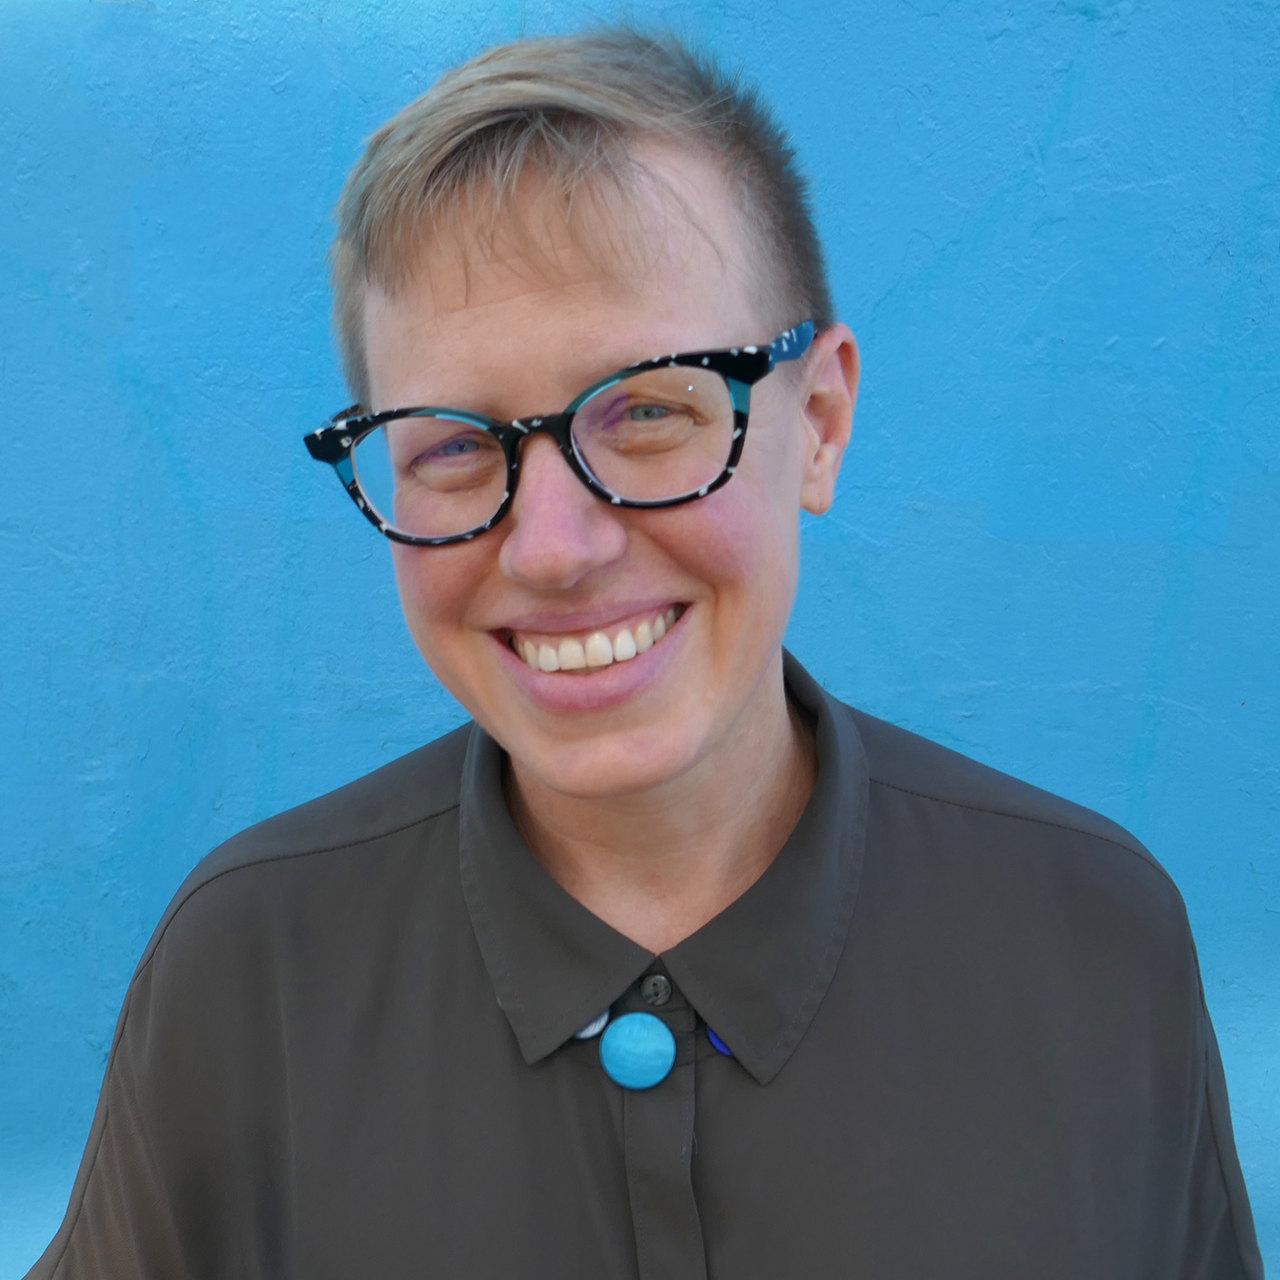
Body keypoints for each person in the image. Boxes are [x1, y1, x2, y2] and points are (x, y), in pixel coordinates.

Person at [27, 26, 1263, 1280]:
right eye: (451, 442)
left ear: (819, 423)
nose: (553, 546)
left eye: (653, 408)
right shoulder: (248, 974)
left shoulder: (1094, 946)